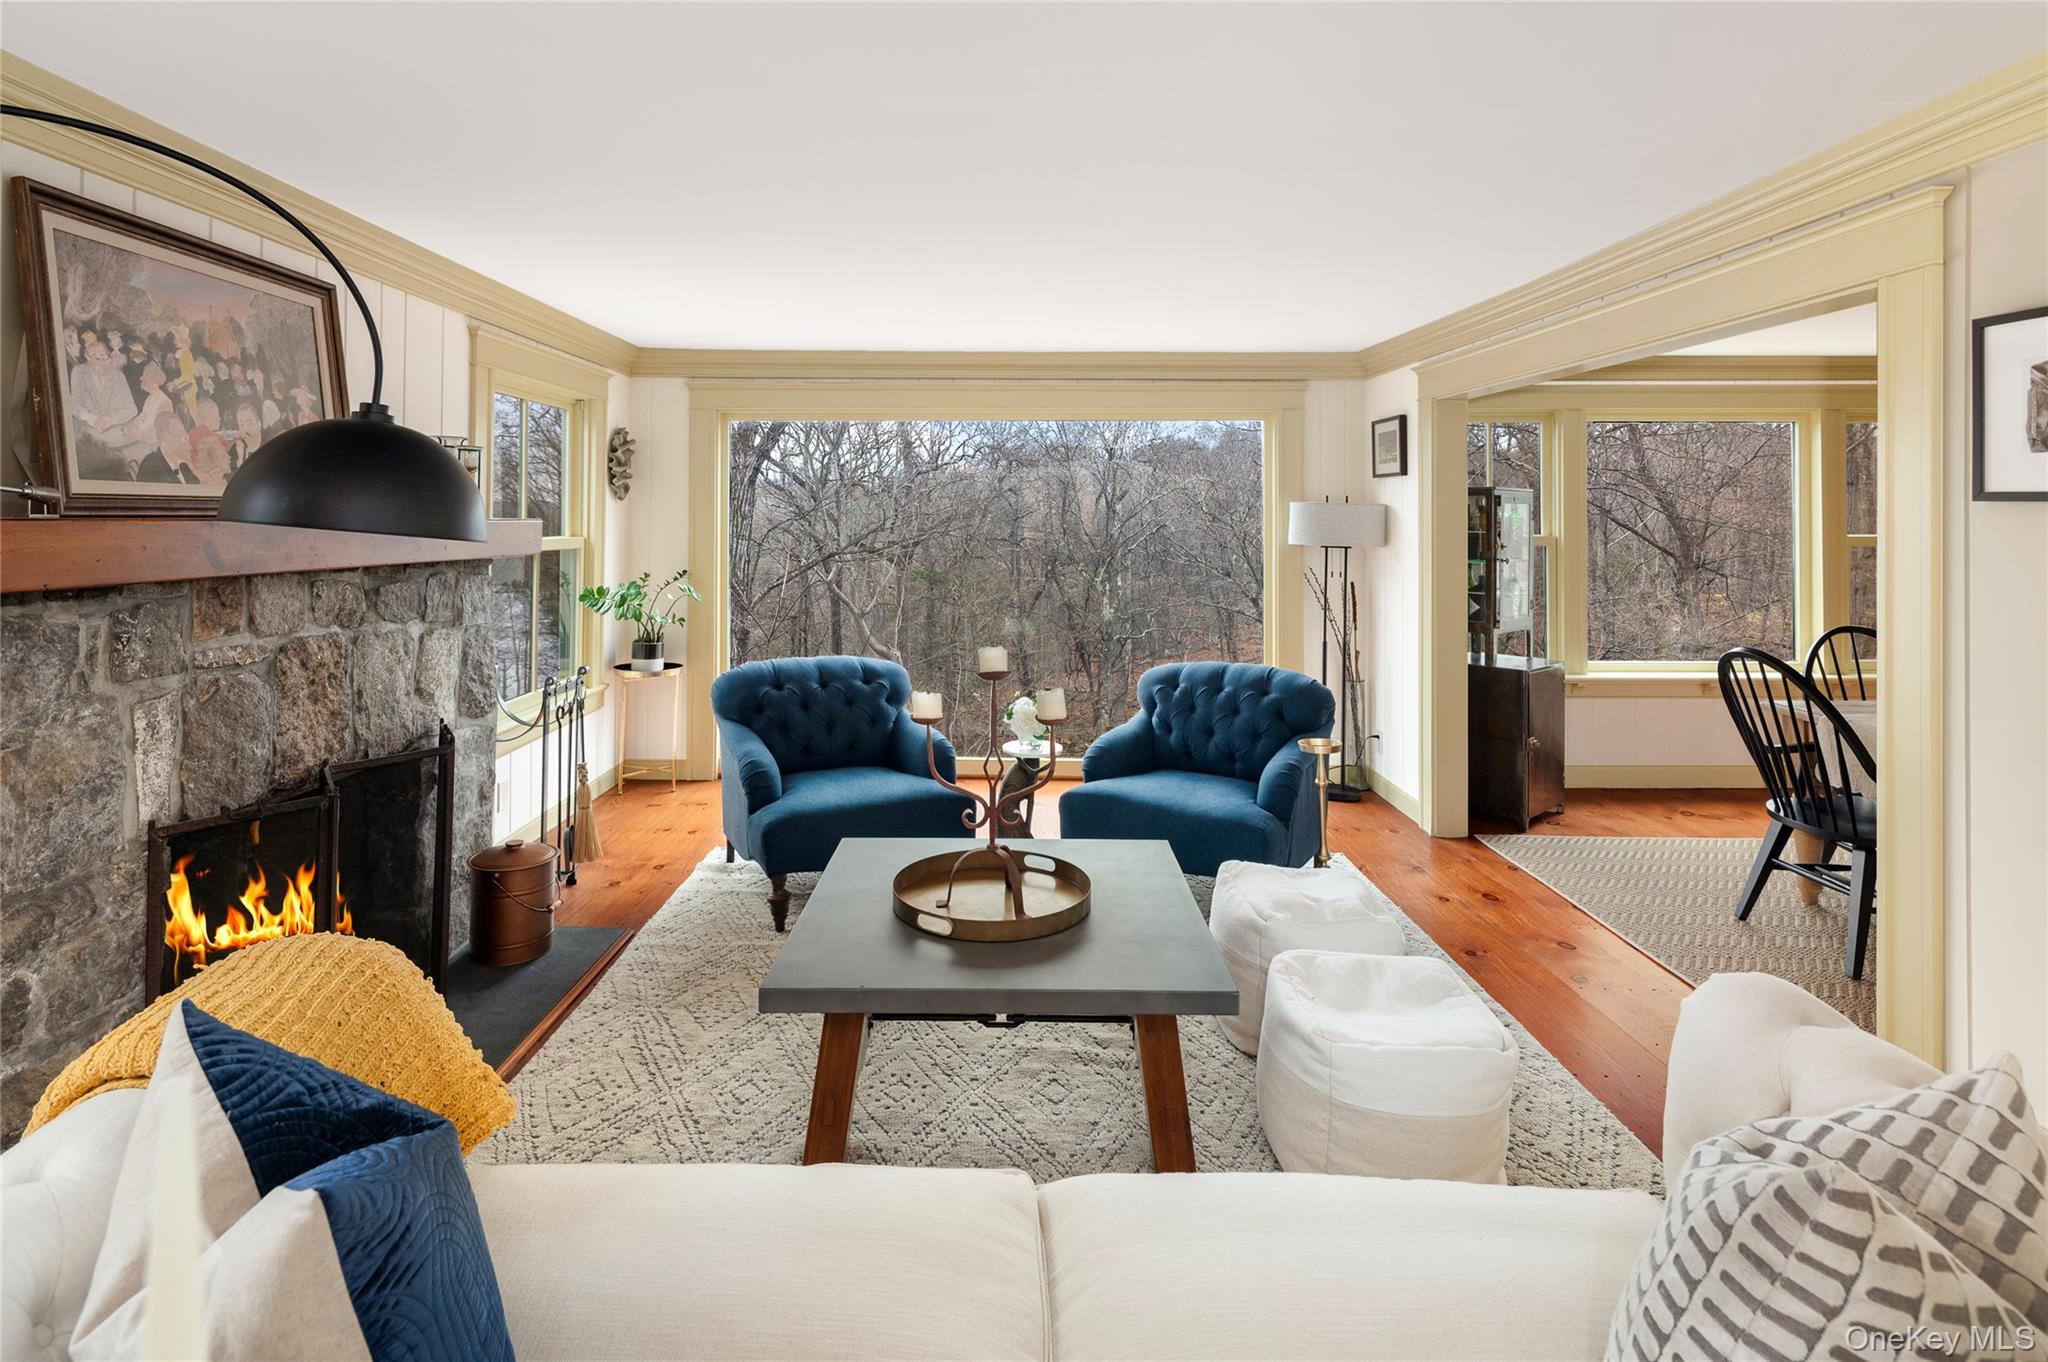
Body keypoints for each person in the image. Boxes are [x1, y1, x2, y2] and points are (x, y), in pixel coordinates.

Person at [134, 411, 198, 483]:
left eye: (186, 437)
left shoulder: (184, 466)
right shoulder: (150, 467)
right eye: (183, 438)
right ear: (165, 437)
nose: (188, 444)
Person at [186, 397, 233, 484]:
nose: (219, 418)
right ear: (208, 416)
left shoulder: (191, 434)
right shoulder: (218, 440)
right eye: (217, 414)